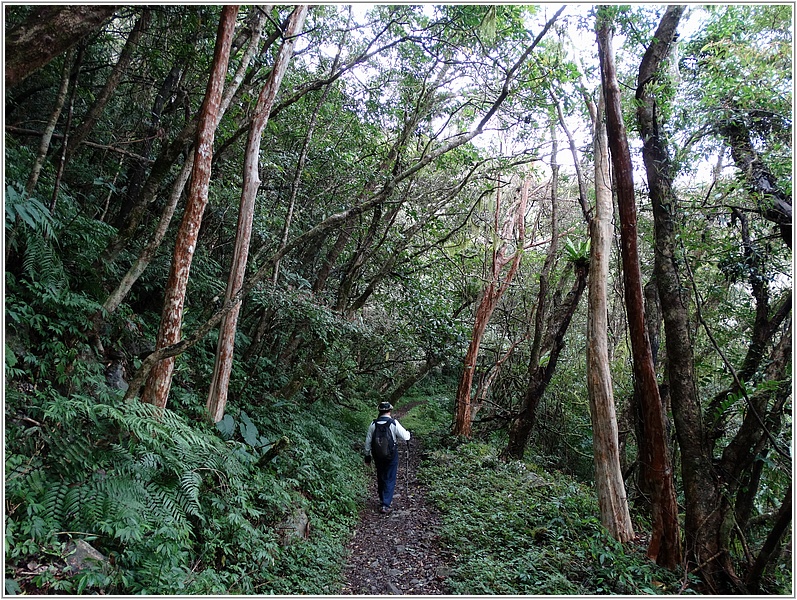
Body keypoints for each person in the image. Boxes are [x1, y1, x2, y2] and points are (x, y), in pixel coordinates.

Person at [364, 401, 411, 514]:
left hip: (377, 455)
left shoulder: (373, 424)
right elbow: (405, 436)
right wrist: (409, 433)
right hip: (391, 455)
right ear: (390, 411)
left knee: (381, 475)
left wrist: (367, 456)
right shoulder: (393, 423)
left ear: (379, 411)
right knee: (390, 477)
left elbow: (368, 441)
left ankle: (382, 499)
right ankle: (385, 504)